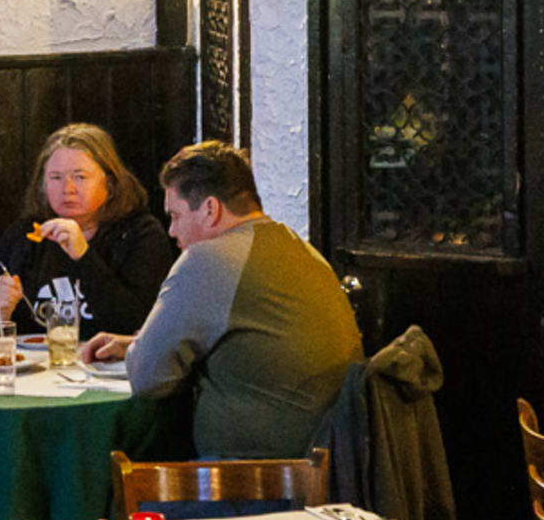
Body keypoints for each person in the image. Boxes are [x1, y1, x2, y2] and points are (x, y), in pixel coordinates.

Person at [88, 142, 364, 461]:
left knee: (111, 476)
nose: (173, 231)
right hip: (325, 467)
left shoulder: (209, 258)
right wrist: (137, 342)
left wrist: (142, 349)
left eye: (175, 216)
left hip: (255, 480)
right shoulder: (300, 248)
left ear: (210, 209)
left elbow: (149, 378)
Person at [0, 123, 174, 340]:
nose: (68, 189)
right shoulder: (25, 233)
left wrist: (83, 256)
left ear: (109, 183)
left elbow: (138, 323)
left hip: (110, 369)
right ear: (43, 185)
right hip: (35, 369)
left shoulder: (141, 234)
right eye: (56, 177)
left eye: (80, 177)